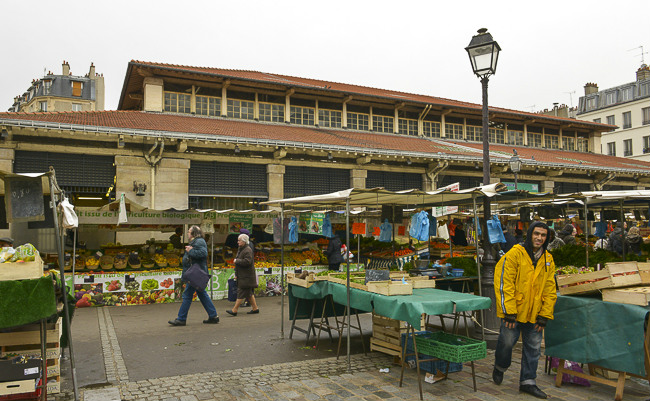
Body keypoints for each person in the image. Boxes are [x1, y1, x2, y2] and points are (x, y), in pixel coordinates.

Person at [492, 221, 557, 399]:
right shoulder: (515, 254)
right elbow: (504, 282)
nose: (539, 238)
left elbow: (550, 289)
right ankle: (500, 366)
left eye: (543, 235)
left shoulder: (548, 259)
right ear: (530, 234)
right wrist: (509, 311)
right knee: (506, 343)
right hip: (514, 312)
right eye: (536, 234)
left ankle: (528, 382)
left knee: (534, 349)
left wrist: (545, 314)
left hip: (535, 314)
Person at [168, 226, 219, 326]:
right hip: (195, 273)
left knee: (187, 295)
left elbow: (203, 253)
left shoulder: (199, 241)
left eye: (189, 232)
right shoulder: (197, 241)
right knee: (202, 294)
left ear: (194, 233)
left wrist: (190, 251)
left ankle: (181, 319)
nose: (187, 233)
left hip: (195, 273)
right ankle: (213, 316)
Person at [226, 234, 259, 316]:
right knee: (249, 293)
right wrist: (237, 274)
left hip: (246, 276)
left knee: (241, 292)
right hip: (244, 275)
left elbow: (248, 261)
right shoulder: (241, 249)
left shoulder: (247, 250)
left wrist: (237, 261)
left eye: (239, 240)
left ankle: (234, 310)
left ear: (244, 241)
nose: (237, 242)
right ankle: (255, 308)